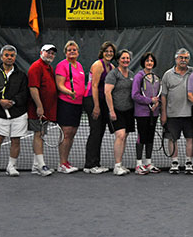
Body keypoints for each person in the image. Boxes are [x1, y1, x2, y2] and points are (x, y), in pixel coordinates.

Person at [0, 45, 28, 178]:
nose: (9, 57)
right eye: (6, 55)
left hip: (18, 113)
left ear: (15, 57)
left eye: (12, 55)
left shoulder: (21, 75)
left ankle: (12, 166)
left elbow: (24, 92)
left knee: (16, 140)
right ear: (1, 57)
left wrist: (13, 102)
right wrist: (0, 101)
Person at [161, 48, 193, 174]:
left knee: (190, 138)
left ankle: (188, 163)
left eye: (186, 58)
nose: (183, 60)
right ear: (176, 59)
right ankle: (174, 162)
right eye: (181, 58)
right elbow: (163, 95)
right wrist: (163, 113)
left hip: (190, 114)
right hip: (172, 114)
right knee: (172, 139)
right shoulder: (167, 75)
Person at [83, 41, 116, 174]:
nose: (109, 53)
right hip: (91, 99)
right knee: (95, 131)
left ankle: (95, 163)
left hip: (102, 101)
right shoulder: (98, 65)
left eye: (111, 52)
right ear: (102, 52)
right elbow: (94, 86)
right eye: (106, 51)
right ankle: (89, 165)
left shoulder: (111, 67)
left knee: (100, 132)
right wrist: (96, 106)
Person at [28, 44, 59, 176]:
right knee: (38, 135)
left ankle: (35, 166)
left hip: (47, 110)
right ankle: (41, 166)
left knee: (40, 135)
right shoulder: (36, 67)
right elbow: (33, 88)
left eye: (52, 53)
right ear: (41, 52)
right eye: (48, 52)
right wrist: (39, 106)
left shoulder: (48, 67)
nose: (50, 55)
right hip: (38, 110)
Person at [55, 40, 85, 173]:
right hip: (66, 103)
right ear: (65, 52)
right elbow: (59, 85)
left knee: (72, 133)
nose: (72, 52)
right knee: (66, 133)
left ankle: (66, 161)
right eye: (69, 50)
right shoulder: (62, 65)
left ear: (78, 52)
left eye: (74, 50)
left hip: (78, 104)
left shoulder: (79, 66)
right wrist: (69, 92)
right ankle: (61, 164)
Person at [105, 49, 136, 176]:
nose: (126, 60)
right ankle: (117, 166)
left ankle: (120, 164)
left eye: (127, 58)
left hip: (129, 111)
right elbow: (107, 92)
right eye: (123, 58)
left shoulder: (132, 74)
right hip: (116, 110)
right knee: (120, 135)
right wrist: (111, 110)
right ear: (118, 60)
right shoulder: (113, 74)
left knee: (125, 137)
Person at [131, 52, 162, 175]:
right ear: (143, 62)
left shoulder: (155, 77)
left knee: (150, 138)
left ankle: (148, 163)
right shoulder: (139, 77)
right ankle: (139, 164)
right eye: (147, 61)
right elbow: (135, 95)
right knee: (142, 137)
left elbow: (157, 96)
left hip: (153, 114)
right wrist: (149, 101)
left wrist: (156, 103)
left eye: (151, 61)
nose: (149, 63)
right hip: (141, 113)